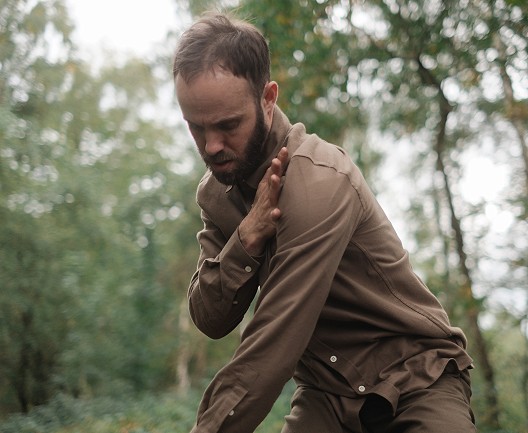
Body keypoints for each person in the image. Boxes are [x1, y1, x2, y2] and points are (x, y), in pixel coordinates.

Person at [173, 11, 476, 433]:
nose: (212, 146)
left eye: (228, 125)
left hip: (416, 376)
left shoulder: (319, 180)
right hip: (325, 392)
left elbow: (273, 343)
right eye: (196, 128)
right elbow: (210, 317)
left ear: (267, 98)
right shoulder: (215, 193)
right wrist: (246, 238)